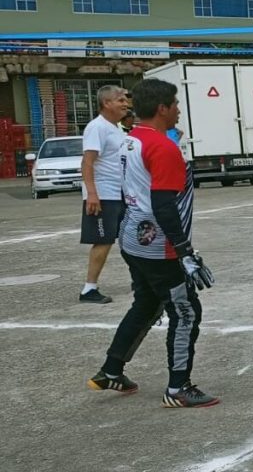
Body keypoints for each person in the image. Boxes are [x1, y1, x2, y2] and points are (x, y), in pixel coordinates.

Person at [87, 78, 218, 408]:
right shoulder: (161, 147)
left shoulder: (131, 139)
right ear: (162, 108)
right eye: (175, 104)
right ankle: (178, 387)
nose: (178, 110)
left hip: (133, 237)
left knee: (146, 303)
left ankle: (111, 369)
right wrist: (184, 251)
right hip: (158, 244)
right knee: (186, 311)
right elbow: (163, 204)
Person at [79, 85, 130, 304]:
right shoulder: (97, 127)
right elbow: (87, 162)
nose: (125, 104)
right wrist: (92, 194)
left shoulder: (116, 128)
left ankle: (140, 279)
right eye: (120, 100)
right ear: (106, 103)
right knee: (103, 240)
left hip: (120, 193)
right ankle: (89, 289)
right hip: (103, 195)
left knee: (130, 238)